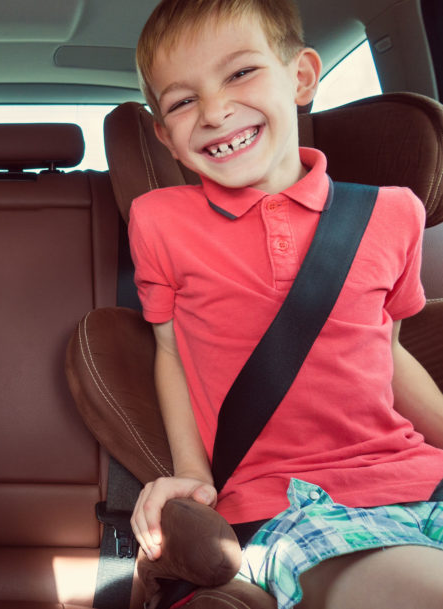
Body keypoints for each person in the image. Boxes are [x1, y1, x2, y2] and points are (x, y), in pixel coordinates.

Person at [126, 1, 443, 607]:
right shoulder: (160, 221)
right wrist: (196, 479)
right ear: (164, 135)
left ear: (300, 77)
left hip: (421, 477)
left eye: (240, 73)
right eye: (182, 101)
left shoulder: (392, 212)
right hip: (290, 500)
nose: (215, 111)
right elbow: (171, 351)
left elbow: (390, 351)